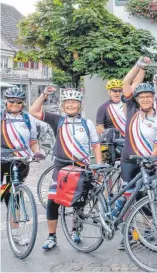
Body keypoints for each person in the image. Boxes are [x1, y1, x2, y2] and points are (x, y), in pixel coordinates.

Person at [29, 86, 102, 251]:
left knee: (79, 202)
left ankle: (76, 232)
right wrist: (44, 95)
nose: (71, 105)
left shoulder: (87, 123)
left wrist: (97, 166)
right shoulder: (57, 120)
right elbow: (33, 111)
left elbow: (96, 146)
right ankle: (52, 237)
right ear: (63, 105)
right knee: (53, 202)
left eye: (74, 102)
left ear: (80, 105)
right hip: (61, 168)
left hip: (82, 168)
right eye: (68, 102)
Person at [118, 57, 157, 249]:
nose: (145, 99)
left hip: (148, 163)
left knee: (148, 197)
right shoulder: (131, 110)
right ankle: (127, 234)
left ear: (152, 98)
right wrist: (139, 65)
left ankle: (146, 231)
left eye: (148, 96)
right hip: (129, 162)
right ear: (136, 99)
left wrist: (152, 158)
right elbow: (126, 83)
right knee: (128, 198)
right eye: (141, 97)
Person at [1, 87, 44, 246]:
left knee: (15, 197)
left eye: (18, 102)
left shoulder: (27, 118)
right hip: (2, 161)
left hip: (22, 161)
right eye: (11, 101)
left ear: (22, 103)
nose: (15, 104)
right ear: (6, 101)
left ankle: (16, 233)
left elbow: (33, 141)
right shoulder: (1, 116)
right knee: (5, 193)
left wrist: (38, 152)